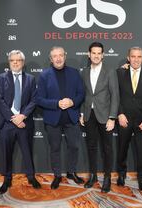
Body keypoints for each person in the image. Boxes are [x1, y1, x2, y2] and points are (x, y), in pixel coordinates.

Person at [36, 46, 85, 189]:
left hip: (71, 117)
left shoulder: (75, 73)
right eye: (55, 56)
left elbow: (81, 94)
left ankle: (71, 172)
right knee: (55, 148)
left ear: (65, 56)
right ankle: (57, 175)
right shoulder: (44, 75)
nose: (58, 58)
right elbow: (39, 99)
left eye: (61, 55)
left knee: (74, 147)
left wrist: (72, 102)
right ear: (51, 59)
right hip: (53, 119)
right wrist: (56, 103)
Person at [0, 50, 41, 194]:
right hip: (7, 122)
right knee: (6, 153)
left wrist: (22, 116)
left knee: (27, 152)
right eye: (12, 60)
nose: (15, 62)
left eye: (18, 60)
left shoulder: (31, 79)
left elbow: (34, 100)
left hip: (24, 122)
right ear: (9, 63)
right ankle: (7, 179)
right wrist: (13, 117)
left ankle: (31, 177)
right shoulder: (1, 78)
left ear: (23, 62)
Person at [80, 42, 119, 193]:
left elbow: (115, 95)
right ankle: (93, 176)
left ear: (102, 55)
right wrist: (82, 113)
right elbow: (84, 95)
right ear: (89, 54)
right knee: (91, 147)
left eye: (99, 53)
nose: (96, 56)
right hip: (89, 116)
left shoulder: (110, 71)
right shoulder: (84, 71)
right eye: (93, 53)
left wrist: (112, 117)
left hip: (105, 117)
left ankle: (107, 177)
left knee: (107, 148)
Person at [116, 47, 142, 191]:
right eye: (133, 56)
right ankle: (121, 175)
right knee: (122, 149)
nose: (136, 59)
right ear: (128, 57)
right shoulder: (119, 73)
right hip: (123, 119)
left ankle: (141, 178)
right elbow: (116, 96)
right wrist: (119, 114)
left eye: (139, 56)